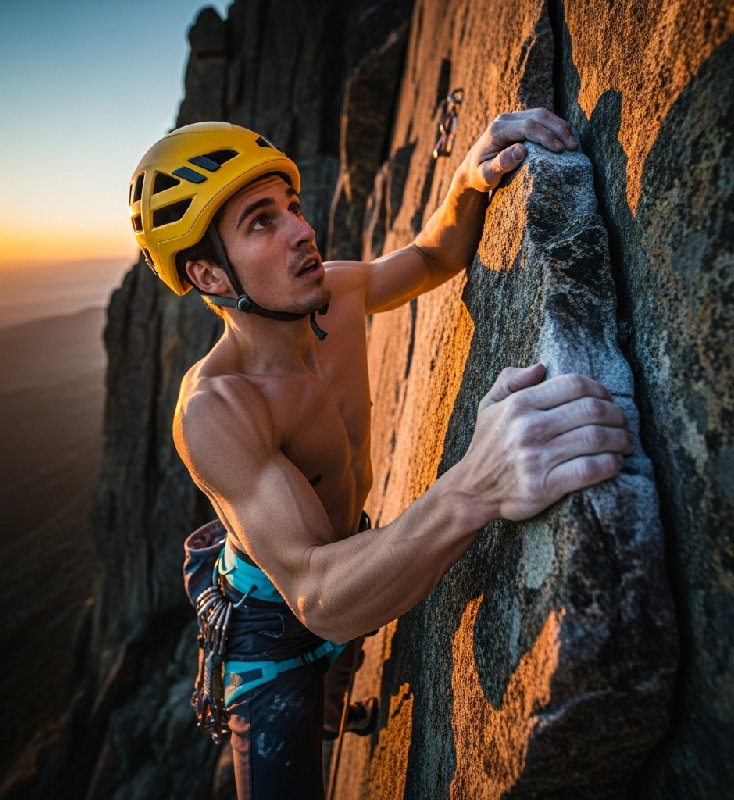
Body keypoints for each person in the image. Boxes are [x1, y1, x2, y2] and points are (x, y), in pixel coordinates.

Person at [129, 108, 635, 799]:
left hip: (340, 560)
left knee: (335, 693)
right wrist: (475, 487)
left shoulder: (333, 294)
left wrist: (467, 180)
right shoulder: (216, 411)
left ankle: (336, 701)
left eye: (290, 207)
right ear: (211, 278)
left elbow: (432, 258)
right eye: (260, 222)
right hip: (274, 628)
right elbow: (319, 596)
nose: (301, 230)